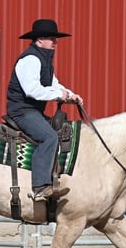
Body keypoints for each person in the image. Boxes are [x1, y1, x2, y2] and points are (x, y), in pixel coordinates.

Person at [6, 18, 83, 202]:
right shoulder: (31, 59)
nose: (55, 42)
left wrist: (71, 96)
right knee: (49, 137)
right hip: (22, 111)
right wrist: (58, 95)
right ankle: (40, 187)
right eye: (52, 38)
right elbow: (32, 90)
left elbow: (54, 84)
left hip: (33, 111)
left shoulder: (44, 60)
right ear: (40, 39)